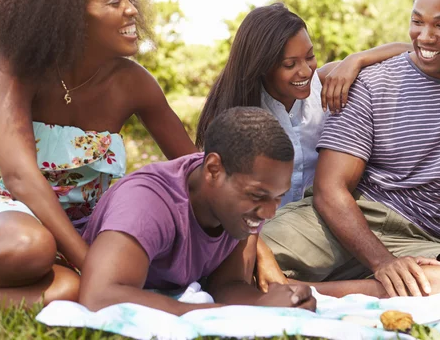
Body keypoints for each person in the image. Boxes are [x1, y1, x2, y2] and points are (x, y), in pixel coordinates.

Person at [261, 0, 440, 298]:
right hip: (350, 217)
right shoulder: (372, 81)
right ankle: (369, 288)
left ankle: (310, 291)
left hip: (430, 241)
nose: (425, 36)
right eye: (417, 22)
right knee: (242, 249)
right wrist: (382, 262)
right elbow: (330, 189)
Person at [0, 0, 196, 308]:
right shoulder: (15, 67)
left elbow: (198, 172)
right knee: (30, 248)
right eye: (115, 2)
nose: (133, 10)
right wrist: (92, 265)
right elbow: (20, 178)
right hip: (8, 211)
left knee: (66, 292)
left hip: (76, 232)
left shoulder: (134, 84)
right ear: (69, 16)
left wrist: (255, 246)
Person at [195, 3, 411, 291]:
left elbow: (406, 50)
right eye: (290, 64)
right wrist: (261, 250)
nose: (305, 70)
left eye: (309, 57)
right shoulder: (238, 115)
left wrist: (355, 60)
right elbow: (220, 203)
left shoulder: (323, 85)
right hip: (254, 233)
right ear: (262, 66)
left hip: (314, 227)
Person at [79, 107, 316, 315]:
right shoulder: (146, 203)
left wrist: (272, 303)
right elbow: (100, 296)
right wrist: (218, 313)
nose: (269, 213)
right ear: (214, 169)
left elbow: (228, 285)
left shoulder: (245, 202)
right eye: (258, 196)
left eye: (278, 198)